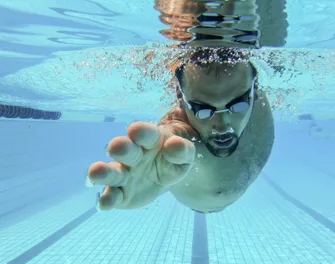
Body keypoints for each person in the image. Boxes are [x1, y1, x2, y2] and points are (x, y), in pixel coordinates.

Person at [87, 48, 274, 214]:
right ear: (180, 98)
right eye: (203, 110)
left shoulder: (259, 101)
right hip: (195, 204)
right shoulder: (179, 135)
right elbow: (172, 136)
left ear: (255, 89)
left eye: (238, 105)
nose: (222, 125)